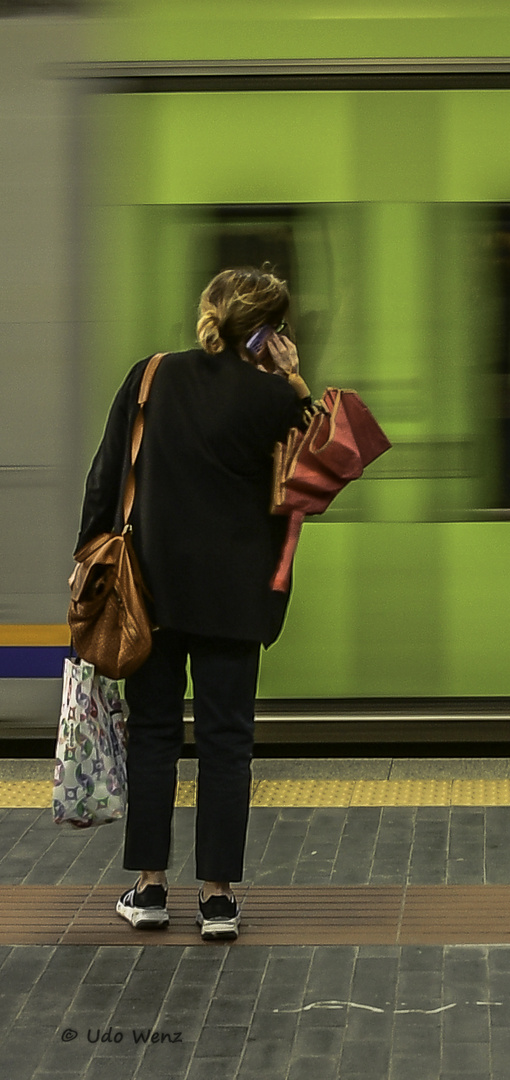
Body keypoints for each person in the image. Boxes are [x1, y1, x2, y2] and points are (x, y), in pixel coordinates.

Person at [76, 267, 310, 941]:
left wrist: (88, 564)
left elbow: (105, 477)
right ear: (270, 333)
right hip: (237, 599)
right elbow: (335, 457)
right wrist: (293, 378)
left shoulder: (151, 376)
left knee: (151, 733)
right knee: (226, 743)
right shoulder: (274, 399)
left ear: (207, 312)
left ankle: (149, 890)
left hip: (149, 591)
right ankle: (217, 901)